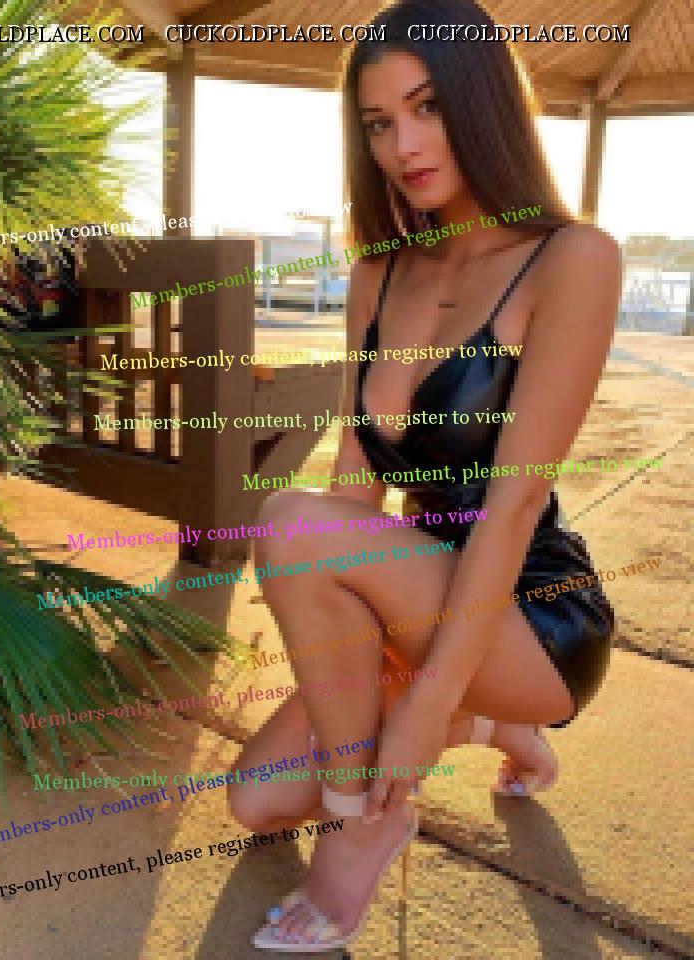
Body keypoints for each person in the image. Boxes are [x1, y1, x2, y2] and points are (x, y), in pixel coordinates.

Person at [228, 0, 620, 950]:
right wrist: (334, 638)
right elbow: (356, 473)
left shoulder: (570, 258)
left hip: (528, 615)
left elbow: (514, 501)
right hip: (412, 597)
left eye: (428, 106)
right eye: (377, 122)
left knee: (291, 520)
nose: (401, 145)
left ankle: (364, 826)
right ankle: (489, 730)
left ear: (484, 104)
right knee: (254, 800)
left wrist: (426, 702)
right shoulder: (381, 270)